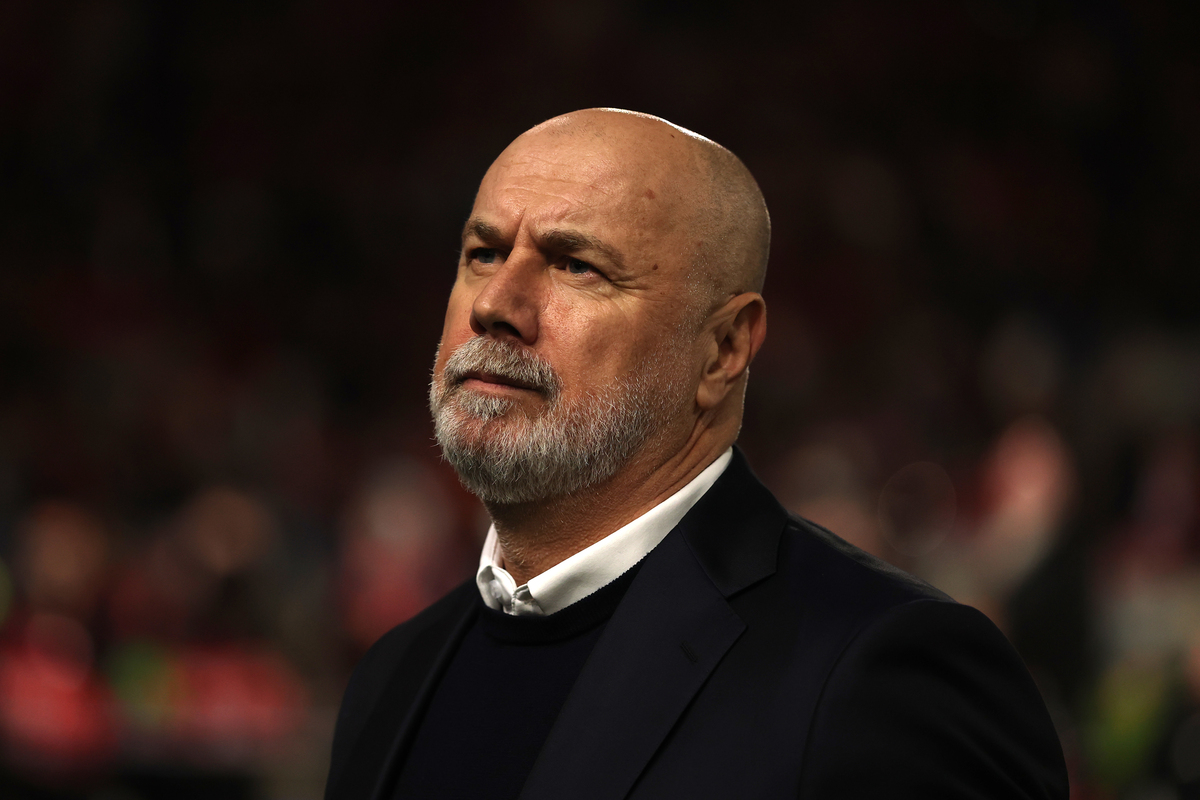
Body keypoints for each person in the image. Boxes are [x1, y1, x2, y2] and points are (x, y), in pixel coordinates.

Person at [324, 109, 1069, 800]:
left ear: (722, 350)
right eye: (483, 253)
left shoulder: (884, 671)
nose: (497, 304)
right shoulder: (394, 677)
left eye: (577, 265)